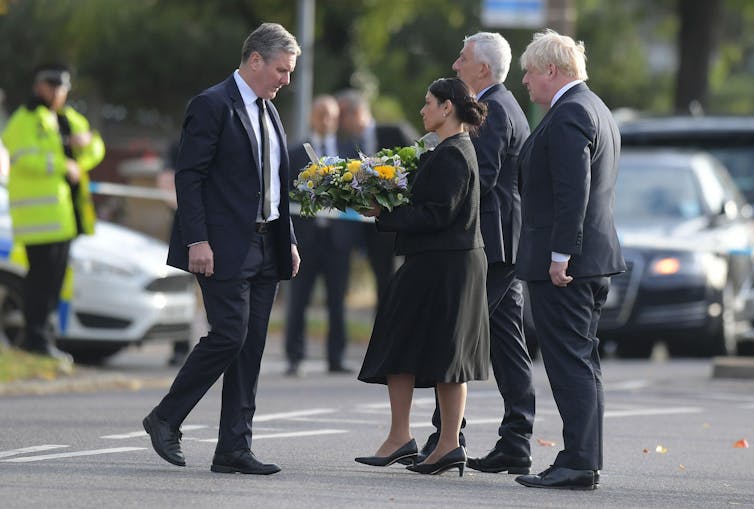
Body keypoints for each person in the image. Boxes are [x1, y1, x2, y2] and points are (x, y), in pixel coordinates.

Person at [142, 23, 301, 476]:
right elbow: (188, 177)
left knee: (250, 346)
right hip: (221, 244)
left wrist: (287, 237)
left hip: (267, 242)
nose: (285, 80)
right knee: (229, 334)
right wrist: (197, 239)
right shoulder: (212, 105)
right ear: (255, 60)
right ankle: (166, 417)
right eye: (281, 70)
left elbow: (274, 183)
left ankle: (233, 447)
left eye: (289, 72)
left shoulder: (269, 110)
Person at [413, 32, 537, 474]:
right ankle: (513, 440)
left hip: (490, 244)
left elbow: (475, 177)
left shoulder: (495, 110)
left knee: (455, 337)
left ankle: (446, 438)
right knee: (504, 344)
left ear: (482, 68)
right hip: (499, 244)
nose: (455, 64)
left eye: (462, 58)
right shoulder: (500, 106)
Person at [354, 77, 489, 477]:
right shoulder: (449, 149)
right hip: (442, 262)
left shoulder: (453, 154)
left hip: (446, 264)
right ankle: (420, 440)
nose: (423, 110)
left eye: (429, 102)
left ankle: (439, 443)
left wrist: (385, 215)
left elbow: (437, 214)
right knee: (428, 351)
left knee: (441, 354)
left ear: (448, 108)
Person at [514, 29, 625, 490]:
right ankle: (582, 457)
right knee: (582, 361)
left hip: (567, 264)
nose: (525, 81)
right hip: (589, 259)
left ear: (552, 71)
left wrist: (561, 254)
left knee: (570, 363)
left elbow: (572, 190)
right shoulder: (595, 108)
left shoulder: (570, 113)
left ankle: (579, 460)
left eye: (529, 72)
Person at [1, 64, 104, 363]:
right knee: (40, 282)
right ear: (40, 87)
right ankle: (34, 338)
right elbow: (22, 156)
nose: (60, 94)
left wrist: (84, 147)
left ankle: (44, 337)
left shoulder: (67, 118)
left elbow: (97, 146)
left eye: (63, 89)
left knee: (55, 282)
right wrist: (63, 162)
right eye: (55, 87)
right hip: (38, 220)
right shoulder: (24, 119)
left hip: (65, 218)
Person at [284, 94, 359, 376]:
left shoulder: (349, 150)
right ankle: (294, 357)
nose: (325, 119)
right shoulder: (296, 152)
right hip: (306, 239)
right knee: (298, 300)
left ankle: (336, 357)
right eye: (320, 114)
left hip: (338, 240)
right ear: (312, 117)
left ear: (337, 118)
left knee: (337, 302)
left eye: (330, 114)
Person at [336, 89, 418, 303]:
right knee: (383, 287)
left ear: (356, 113)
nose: (339, 123)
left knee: (403, 288)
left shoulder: (395, 132)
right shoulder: (346, 147)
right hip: (371, 231)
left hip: (403, 228)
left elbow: (422, 166)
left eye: (342, 116)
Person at [156, 139, 193, 367]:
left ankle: (222, 347)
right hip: (184, 226)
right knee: (183, 289)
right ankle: (181, 346)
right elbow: (166, 181)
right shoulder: (178, 145)